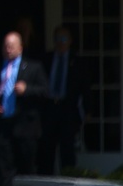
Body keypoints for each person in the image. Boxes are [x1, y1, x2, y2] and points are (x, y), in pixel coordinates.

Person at [0, 32, 49, 186]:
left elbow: (45, 92)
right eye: (5, 46)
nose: (8, 49)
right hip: (3, 124)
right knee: (6, 168)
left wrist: (27, 89)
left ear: (20, 47)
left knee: (27, 168)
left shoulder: (34, 67)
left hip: (25, 126)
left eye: (11, 46)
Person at [38, 25, 89, 175]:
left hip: (68, 110)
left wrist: (88, 109)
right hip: (49, 108)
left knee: (67, 149)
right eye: (58, 38)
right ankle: (45, 182)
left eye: (64, 38)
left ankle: (69, 180)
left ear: (70, 41)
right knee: (47, 148)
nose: (61, 42)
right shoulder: (46, 59)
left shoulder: (78, 62)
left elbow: (85, 87)